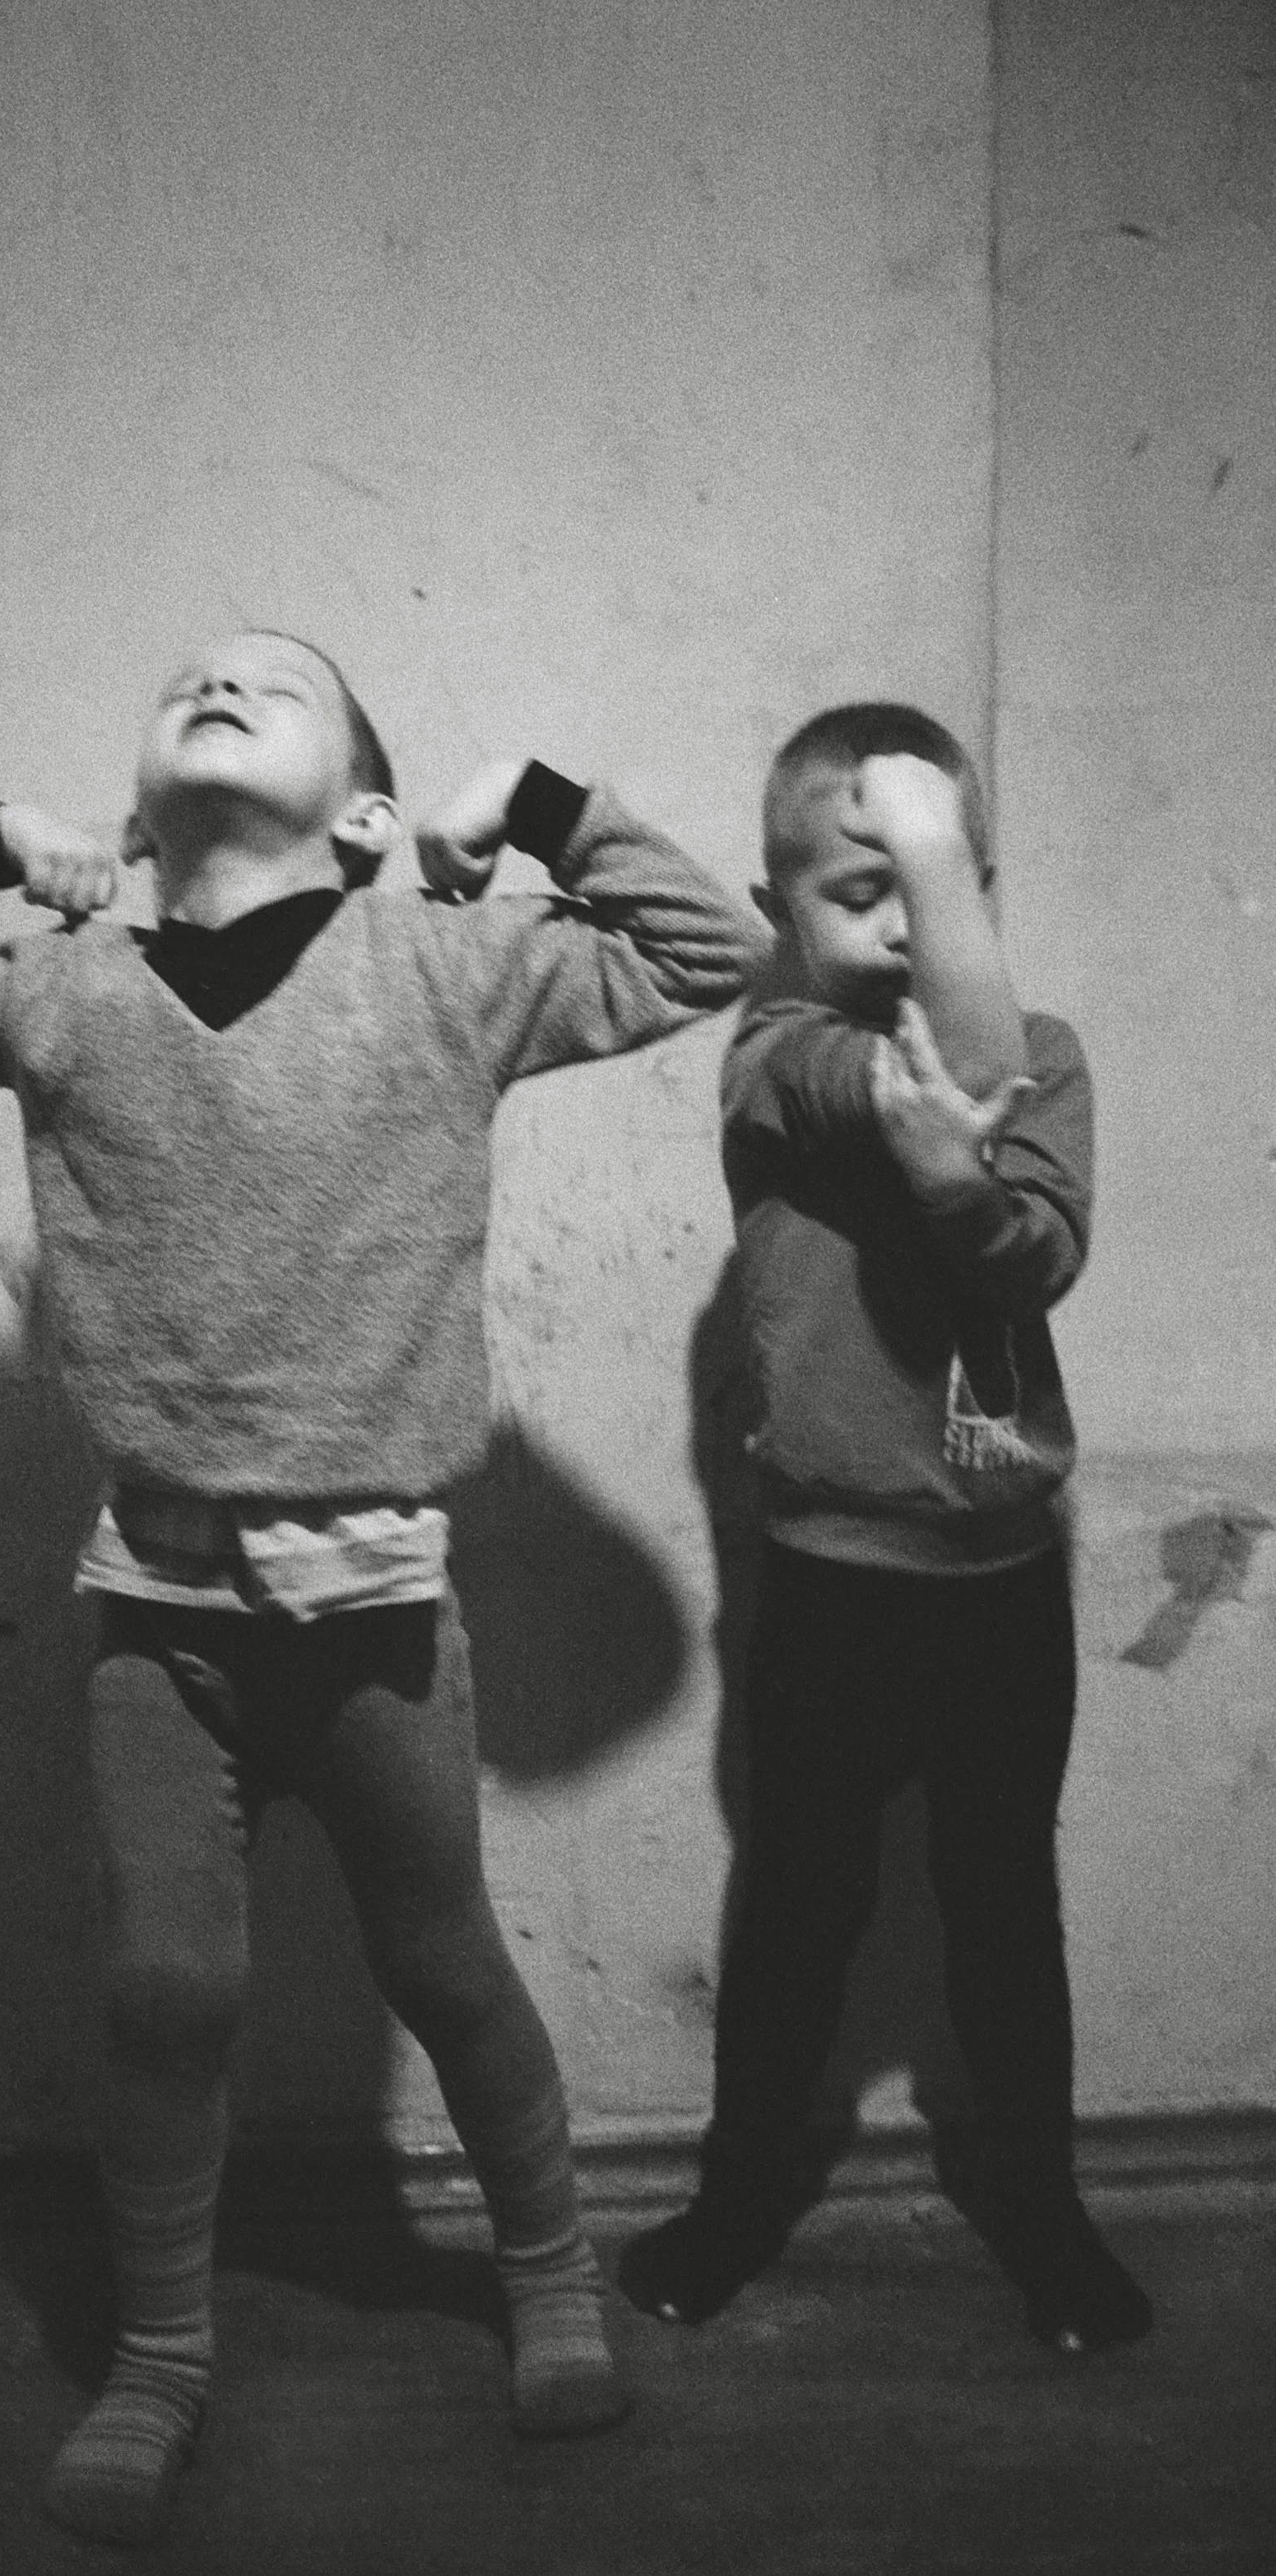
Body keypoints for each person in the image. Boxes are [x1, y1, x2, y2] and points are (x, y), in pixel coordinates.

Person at [0, 629, 765, 2544]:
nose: (219, 684)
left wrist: (536, 813)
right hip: (158, 1612)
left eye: (274, 684)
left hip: (382, 1609)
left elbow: (707, 951)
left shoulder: (446, 960)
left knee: (446, 1960)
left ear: (373, 809)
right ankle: (158, 2355)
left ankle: (547, 2268)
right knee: (165, 1989)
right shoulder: (51, 984)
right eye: (184, 683)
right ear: (133, 814)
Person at [619, 703, 1153, 2356]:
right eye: (863, 887)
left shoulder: (1041, 1048)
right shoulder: (775, 1053)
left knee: (1004, 1907)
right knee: (798, 1907)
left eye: (940, 887)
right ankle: (735, 2199)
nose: (907, 924)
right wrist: (938, 1131)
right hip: (834, 1589)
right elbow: (948, 1075)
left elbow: (1024, 1250)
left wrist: (958, 1184)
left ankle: (1040, 2204)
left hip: (1002, 1588)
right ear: (784, 906)